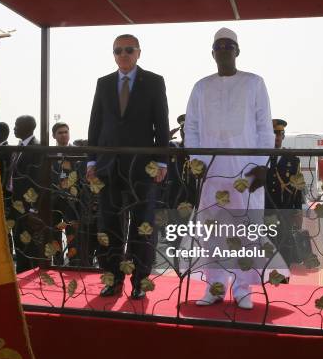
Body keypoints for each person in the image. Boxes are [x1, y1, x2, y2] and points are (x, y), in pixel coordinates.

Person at [183, 27, 276, 310]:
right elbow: (192, 127)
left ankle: (244, 289)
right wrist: (196, 161)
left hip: (246, 170)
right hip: (212, 171)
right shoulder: (201, 86)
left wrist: (261, 166)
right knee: (212, 232)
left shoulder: (254, 83)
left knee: (246, 231)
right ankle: (214, 286)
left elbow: (264, 127)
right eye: (218, 46)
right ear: (212, 53)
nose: (223, 49)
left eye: (228, 45)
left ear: (237, 51)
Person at [87, 33, 170, 299]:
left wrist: (161, 161)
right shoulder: (103, 83)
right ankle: (112, 279)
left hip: (143, 168)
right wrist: (91, 160)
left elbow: (162, 125)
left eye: (128, 49)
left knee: (142, 226)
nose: (123, 54)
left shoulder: (154, 82)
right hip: (108, 167)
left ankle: (139, 282)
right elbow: (95, 124)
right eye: (118, 50)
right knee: (108, 225)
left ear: (138, 53)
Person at [265, 119, 306, 264]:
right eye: (273, 133)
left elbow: (298, 186)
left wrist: (298, 210)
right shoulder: (260, 156)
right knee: (267, 246)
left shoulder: (293, 160)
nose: (276, 137)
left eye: (279, 134)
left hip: (285, 209)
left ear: (283, 136)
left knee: (285, 245)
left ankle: (283, 277)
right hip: (265, 209)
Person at [7, 115, 42, 273]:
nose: (14, 128)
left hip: (28, 207)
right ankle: (20, 276)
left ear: (28, 127)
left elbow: (37, 180)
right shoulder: (18, 147)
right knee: (19, 243)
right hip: (16, 204)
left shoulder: (36, 148)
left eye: (16, 125)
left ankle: (30, 278)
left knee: (29, 247)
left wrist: (33, 208)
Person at [50, 122, 79, 265]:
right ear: (54, 135)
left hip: (72, 201)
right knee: (54, 232)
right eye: (60, 132)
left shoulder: (78, 152)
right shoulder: (49, 153)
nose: (64, 135)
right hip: (54, 199)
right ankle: (57, 260)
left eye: (66, 132)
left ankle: (73, 261)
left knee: (72, 231)